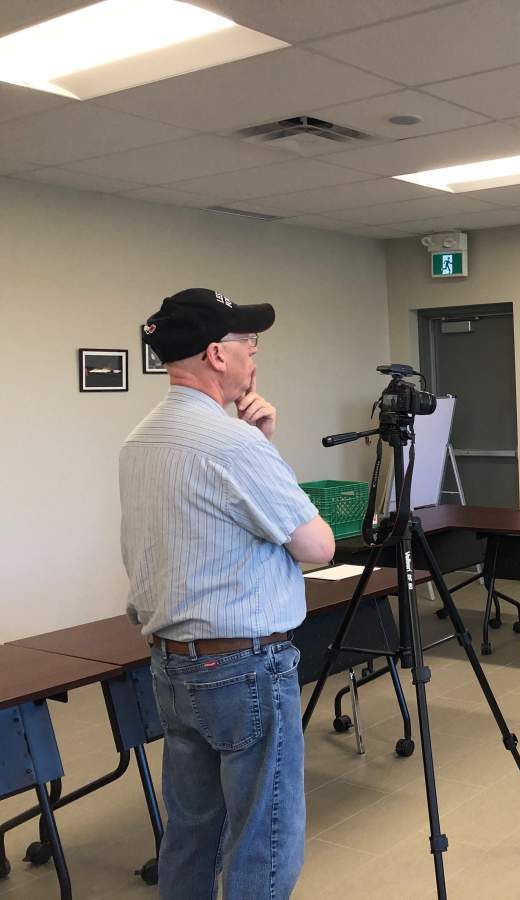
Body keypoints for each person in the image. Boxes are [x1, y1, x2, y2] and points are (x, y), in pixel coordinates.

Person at [120, 288, 334, 898]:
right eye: (248, 344)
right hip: (244, 668)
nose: (254, 358)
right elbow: (317, 546)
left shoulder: (140, 441)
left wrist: (257, 443)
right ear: (217, 354)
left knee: (191, 831)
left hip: (171, 665)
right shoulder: (232, 444)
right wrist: (262, 446)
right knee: (264, 837)